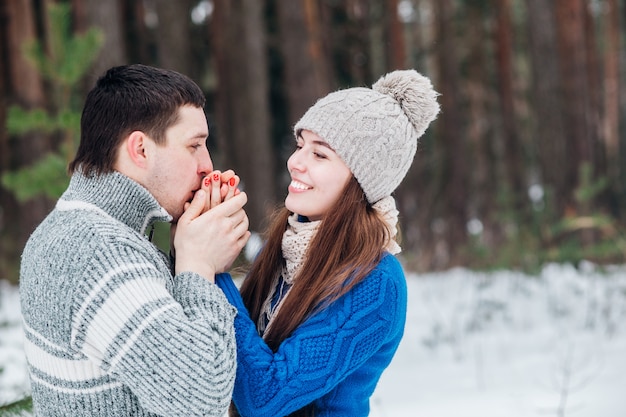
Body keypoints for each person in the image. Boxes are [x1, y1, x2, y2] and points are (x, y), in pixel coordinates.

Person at [19, 64, 250, 416]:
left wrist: (183, 248)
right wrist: (198, 264)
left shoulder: (82, 227)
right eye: (195, 146)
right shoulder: (96, 251)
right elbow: (199, 399)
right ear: (140, 149)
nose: (207, 165)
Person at [214, 69, 440, 416]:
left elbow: (266, 398)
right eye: (300, 145)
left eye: (319, 155)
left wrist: (212, 272)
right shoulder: (285, 248)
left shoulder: (376, 281)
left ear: (361, 180)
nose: (295, 162)